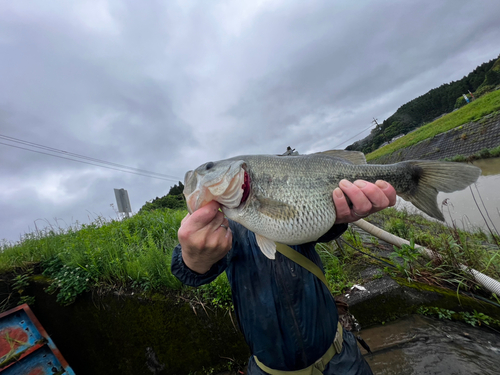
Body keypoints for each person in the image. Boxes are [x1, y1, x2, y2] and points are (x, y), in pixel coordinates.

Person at [171, 179, 396, 375]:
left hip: (340, 356)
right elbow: (190, 272)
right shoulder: (225, 227)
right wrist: (193, 258)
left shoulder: (290, 202)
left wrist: (339, 216)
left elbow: (324, 229)